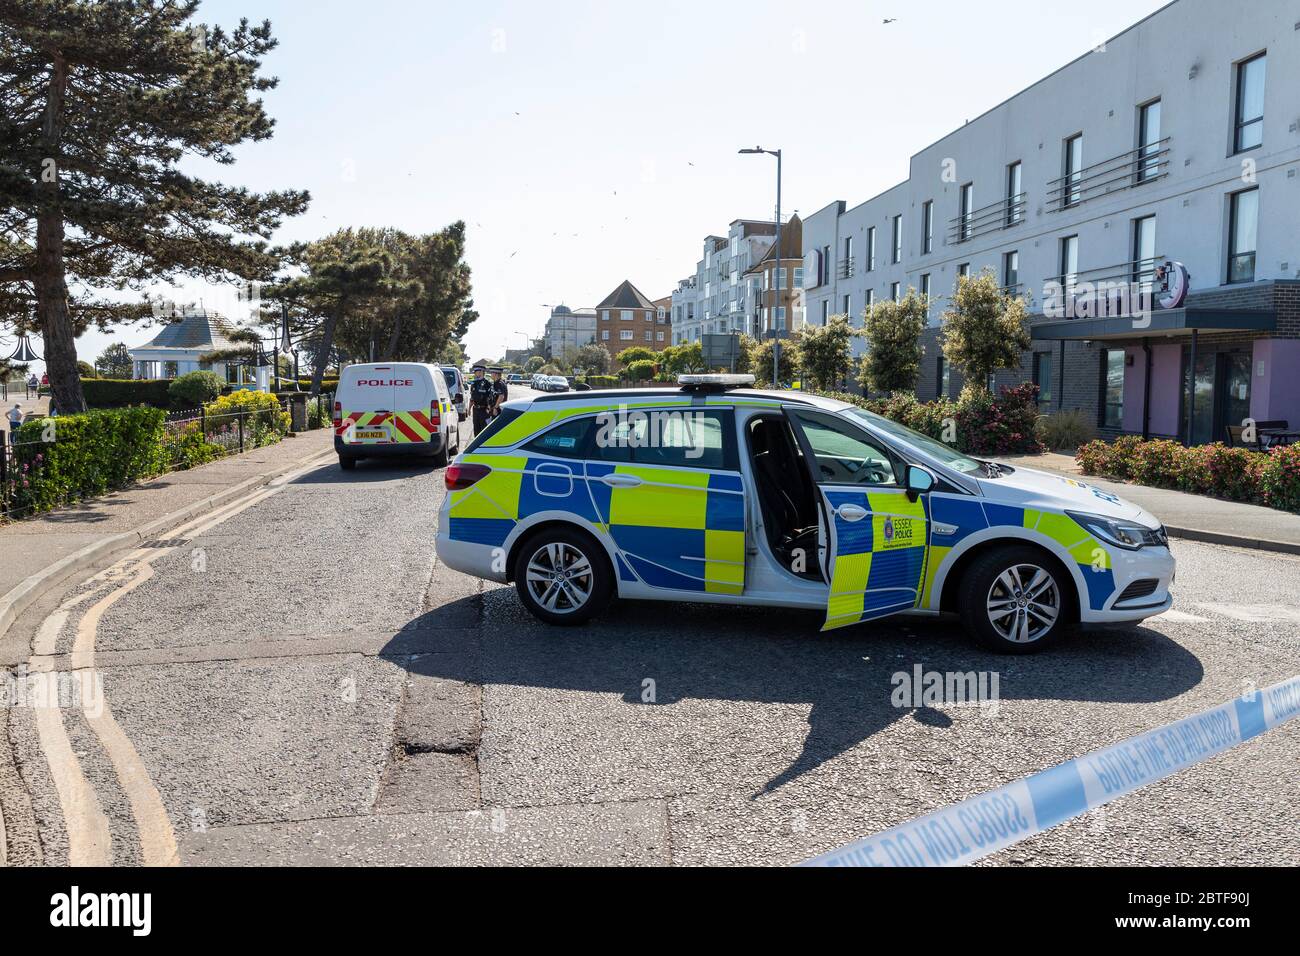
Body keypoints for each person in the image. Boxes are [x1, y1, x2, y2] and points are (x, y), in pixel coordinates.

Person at [468, 364, 494, 435]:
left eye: (477, 371)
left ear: (482, 372)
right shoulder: (474, 383)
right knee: (476, 429)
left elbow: (490, 397)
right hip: (475, 409)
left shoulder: (487, 383)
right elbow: (472, 397)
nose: (476, 373)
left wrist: (489, 408)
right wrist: (469, 408)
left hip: (484, 410)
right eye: (475, 372)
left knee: (484, 430)